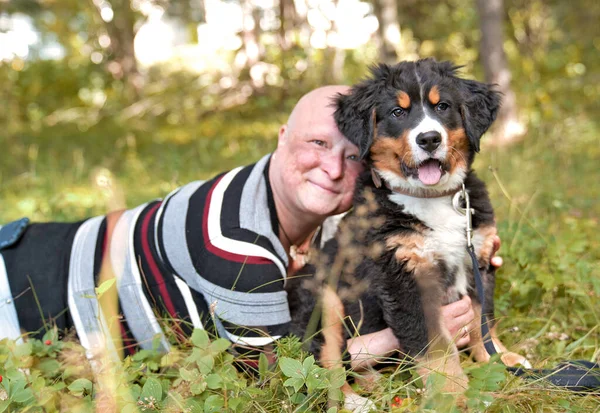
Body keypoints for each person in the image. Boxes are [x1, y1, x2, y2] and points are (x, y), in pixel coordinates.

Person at [0, 85, 490, 368]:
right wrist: (402, 339)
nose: (333, 169)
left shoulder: (331, 210)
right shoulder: (235, 242)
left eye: (349, 155)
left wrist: (466, 253)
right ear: (281, 138)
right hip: (18, 294)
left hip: (47, 240)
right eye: (316, 144)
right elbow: (277, 375)